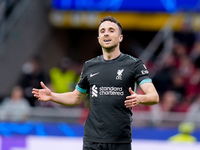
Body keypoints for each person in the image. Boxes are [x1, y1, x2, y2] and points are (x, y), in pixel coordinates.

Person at [32, 16, 159, 150]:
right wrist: (52, 96)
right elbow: (76, 97)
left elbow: (154, 96)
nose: (106, 34)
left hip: (120, 141)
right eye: (102, 31)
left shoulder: (134, 65)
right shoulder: (89, 66)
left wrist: (140, 98)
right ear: (99, 39)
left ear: (120, 37)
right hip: (92, 140)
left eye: (111, 30)